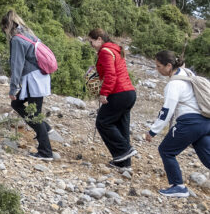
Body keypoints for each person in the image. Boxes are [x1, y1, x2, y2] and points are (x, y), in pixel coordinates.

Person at [143, 50, 210, 198]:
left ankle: (178, 186)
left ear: (168, 66)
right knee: (207, 156)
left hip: (190, 123)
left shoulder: (174, 84)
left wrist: (153, 131)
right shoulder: (187, 73)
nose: (157, 69)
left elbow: (167, 111)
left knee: (166, 150)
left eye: (158, 66)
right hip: (206, 121)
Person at [2, 10, 53, 160]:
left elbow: (16, 65)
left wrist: (13, 88)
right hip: (41, 77)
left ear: (6, 27)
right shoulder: (29, 34)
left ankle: (45, 152)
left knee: (33, 114)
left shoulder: (17, 40)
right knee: (17, 104)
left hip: (33, 80)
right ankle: (46, 128)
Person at [89, 28, 138, 168]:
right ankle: (123, 163)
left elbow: (111, 75)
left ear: (99, 39)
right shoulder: (115, 49)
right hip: (129, 93)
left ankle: (124, 150)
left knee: (103, 122)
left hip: (119, 92)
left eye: (91, 42)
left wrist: (104, 92)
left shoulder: (105, 51)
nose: (91, 45)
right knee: (122, 126)